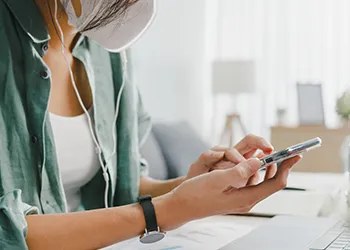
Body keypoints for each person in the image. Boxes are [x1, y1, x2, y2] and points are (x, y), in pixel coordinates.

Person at [0, 0, 302, 249]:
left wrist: (192, 186)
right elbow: (8, 232)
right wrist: (167, 211)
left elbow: (125, 187)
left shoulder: (106, 50)